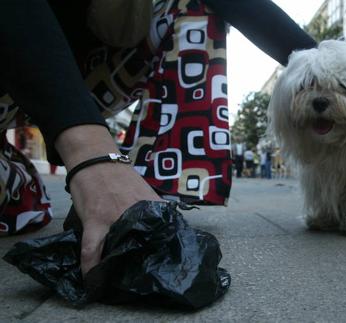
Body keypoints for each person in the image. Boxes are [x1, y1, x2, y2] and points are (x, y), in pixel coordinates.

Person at [0, 0, 317, 275]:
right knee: (15, 208)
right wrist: (90, 155)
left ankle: (160, 188)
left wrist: (323, 64)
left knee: (191, 4)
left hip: (88, 70)